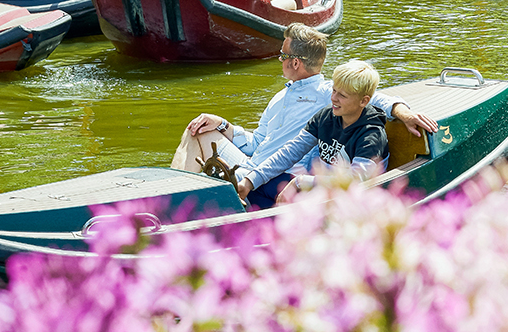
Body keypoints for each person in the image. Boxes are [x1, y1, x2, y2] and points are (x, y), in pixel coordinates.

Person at [172, 24, 437, 208]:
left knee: (200, 137)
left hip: (279, 177)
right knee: (200, 128)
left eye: (281, 55)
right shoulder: (283, 97)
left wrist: (403, 112)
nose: (336, 97)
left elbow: (374, 97)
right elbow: (259, 144)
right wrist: (224, 125)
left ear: (295, 61)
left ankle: (174, 200)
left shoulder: (326, 95)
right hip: (259, 168)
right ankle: (173, 192)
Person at [232, 60, 391, 204]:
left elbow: (355, 180)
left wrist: (302, 181)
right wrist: (250, 180)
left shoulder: (371, 135)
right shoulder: (326, 116)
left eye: (342, 95)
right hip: (319, 191)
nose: (333, 98)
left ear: (364, 100)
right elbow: (292, 150)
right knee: (253, 188)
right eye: (334, 90)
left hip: (348, 204)